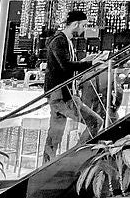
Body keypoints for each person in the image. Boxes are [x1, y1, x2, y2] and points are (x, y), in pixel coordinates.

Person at [43, 10, 104, 162]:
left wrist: (87, 61)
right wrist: (89, 63)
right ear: (75, 24)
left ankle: (47, 165)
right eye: (83, 25)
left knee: (56, 132)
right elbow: (65, 66)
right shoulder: (59, 40)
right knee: (95, 122)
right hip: (61, 94)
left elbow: (65, 66)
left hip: (61, 93)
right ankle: (75, 157)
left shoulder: (64, 40)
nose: (84, 29)